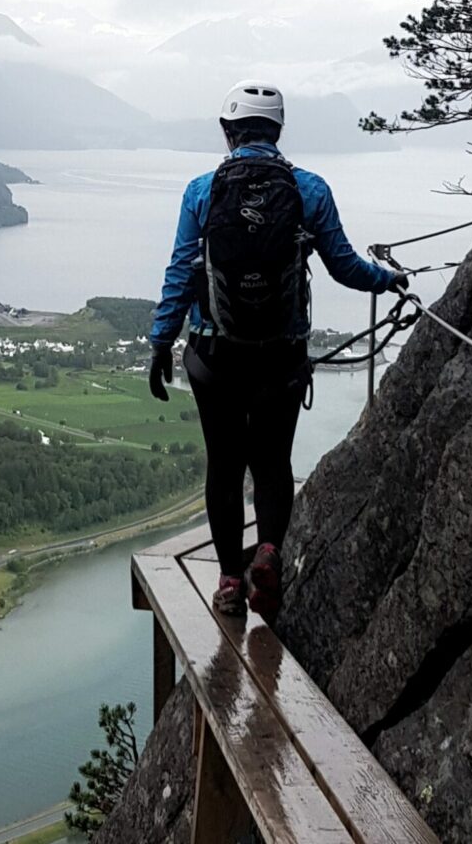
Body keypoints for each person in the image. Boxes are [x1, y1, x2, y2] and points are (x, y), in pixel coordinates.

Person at [149, 81, 407, 620]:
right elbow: (344, 266)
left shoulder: (201, 191)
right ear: (278, 130)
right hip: (279, 357)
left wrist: (160, 343)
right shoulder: (309, 189)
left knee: (223, 467)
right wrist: (388, 280)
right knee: (271, 463)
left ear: (229, 132)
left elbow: (179, 273)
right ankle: (267, 553)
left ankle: (227, 584)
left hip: (214, 357)